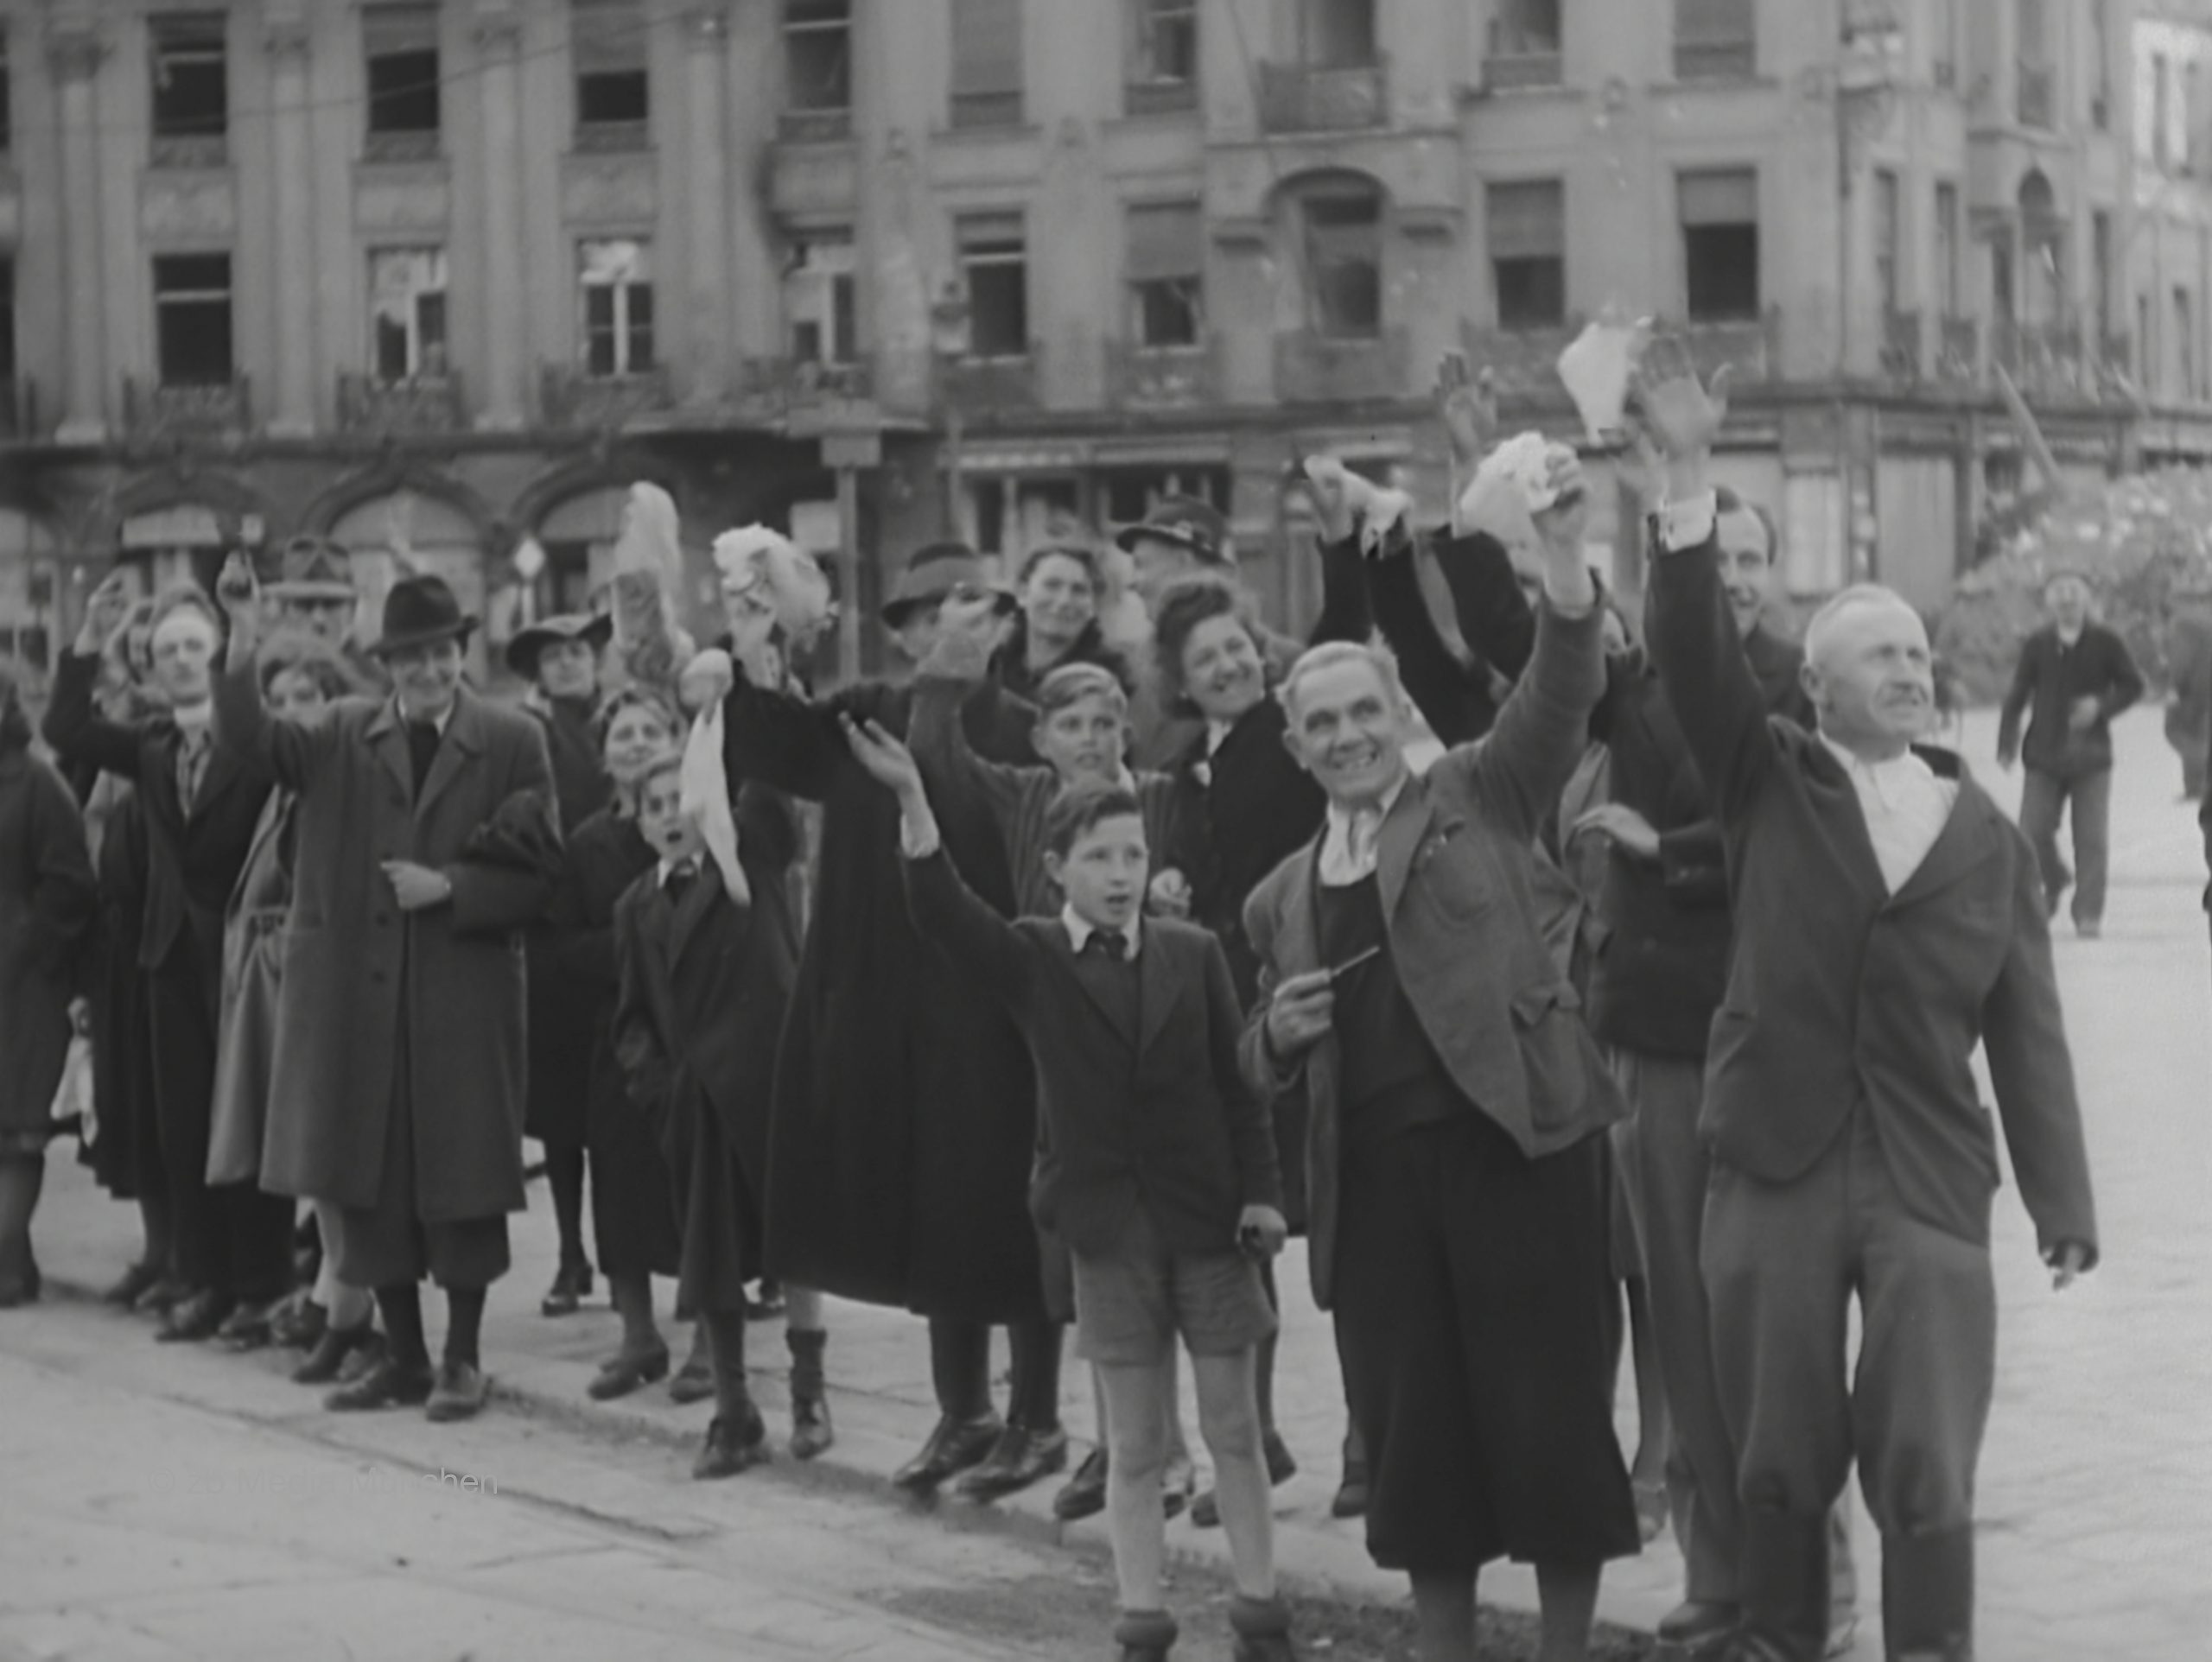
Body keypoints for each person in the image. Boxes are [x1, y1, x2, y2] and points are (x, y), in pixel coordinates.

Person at [1636, 347, 2099, 1662]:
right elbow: (1687, 648)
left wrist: (2062, 1206)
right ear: (1818, 690)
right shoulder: (1767, 780)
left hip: (1928, 1172)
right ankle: (1786, 1641)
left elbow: (2031, 1034)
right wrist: (1684, 474)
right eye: (1874, 656)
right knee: (1778, 1448)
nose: (1904, 668)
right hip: (1775, 1160)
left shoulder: (1986, 833)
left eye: (1914, 651)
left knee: (1929, 1453)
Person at [1242, 452, 1640, 1662]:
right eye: (1324, 723)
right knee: (1417, 1441)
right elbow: (1253, 1056)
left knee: (1552, 1420)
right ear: (1296, 747)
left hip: (1521, 1157)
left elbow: (1560, 692)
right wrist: (1276, 1037)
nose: (1351, 734)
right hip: (1379, 1202)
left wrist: (1565, 559)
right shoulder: (1279, 897)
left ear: (1400, 713)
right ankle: (1443, 1646)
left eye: (1368, 711)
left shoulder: (1482, 787)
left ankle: (1566, 1650)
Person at [856, 732, 1295, 1662]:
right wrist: (911, 802)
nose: (1121, 872)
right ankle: (1142, 1622)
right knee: (1134, 1445)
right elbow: (942, 910)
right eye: (1098, 856)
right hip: (1108, 1233)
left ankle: (1261, 1616)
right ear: (1056, 868)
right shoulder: (1034, 955)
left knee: (1234, 1430)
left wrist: (1263, 1196)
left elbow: (1237, 1089)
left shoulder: (1192, 951)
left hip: (1211, 1226)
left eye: (1133, 853)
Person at [1565, 479, 1873, 1656]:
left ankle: (1812, 1597)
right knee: (1684, 1327)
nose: (1736, 578)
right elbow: (1501, 662)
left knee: (1779, 1338)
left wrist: (1667, 851)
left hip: (1770, 1043)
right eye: (1716, 557)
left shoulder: (1813, 685)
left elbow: (1801, 835)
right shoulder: (1633, 690)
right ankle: (1717, 1572)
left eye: (1754, 557)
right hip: (1654, 1033)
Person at [715, 539, 1058, 1495]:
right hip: (892, 996)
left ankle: (1037, 1418)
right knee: (937, 1204)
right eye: (936, 606)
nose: (960, 620)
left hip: (998, 995)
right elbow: (774, 746)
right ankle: (963, 1413)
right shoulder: (867, 713)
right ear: (905, 633)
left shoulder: (1028, 729)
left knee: (1015, 1209)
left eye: (978, 603)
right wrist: (751, 650)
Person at [212, 559, 562, 1424]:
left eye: (441, 653)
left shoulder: (514, 738)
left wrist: (453, 888)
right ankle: (402, 1356)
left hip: (460, 999)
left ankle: (462, 1360)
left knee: (463, 1180)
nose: (429, 671)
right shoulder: (338, 731)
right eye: (411, 658)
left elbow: (548, 874)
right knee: (370, 1180)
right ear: (386, 664)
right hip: (354, 1005)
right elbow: (249, 737)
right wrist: (243, 634)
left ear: (460, 654)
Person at [45, 576, 291, 1346]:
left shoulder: (257, 739)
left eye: (195, 646)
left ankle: (263, 1285)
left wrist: (247, 625)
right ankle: (208, 1280)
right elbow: (66, 729)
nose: (182, 661)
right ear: (150, 667)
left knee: (249, 1120)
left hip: (246, 959)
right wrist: (90, 634)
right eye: (167, 651)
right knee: (184, 1127)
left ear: (218, 654)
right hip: (168, 959)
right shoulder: (151, 744)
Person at [612, 751, 807, 1479]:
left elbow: (775, 812)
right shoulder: (634, 906)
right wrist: (655, 1087)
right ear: (636, 822)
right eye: (654, 805)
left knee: (798, 1246)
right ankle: (734, 1408)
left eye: (682, 802)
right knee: (712, 1253)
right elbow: (631, 1014)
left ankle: (810, 1391)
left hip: (759, 1087)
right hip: (692, 1103)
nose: (670, 816)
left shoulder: (742, 873)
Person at [203, 636, 379, 1363]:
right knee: (306, 1153)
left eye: (308, 696)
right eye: (280, 702)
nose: (295, 713)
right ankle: (331, 1291)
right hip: (278, 981)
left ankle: (348, 1297)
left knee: (334, 1145)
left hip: (330, 980)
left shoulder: (348, 769)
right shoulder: (286, 785)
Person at [510, 610, 620, 1320]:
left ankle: (630, 1254)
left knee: (625, 1106)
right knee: (563, 1116)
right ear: (539, 675)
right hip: (555, 935)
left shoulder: (627, 722)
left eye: (579, 652)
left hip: (626, 921)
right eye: (554, 658)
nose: (569, 665)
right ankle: (571, 1254)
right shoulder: (531, 737)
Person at [0, 660, 99, 1306]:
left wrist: (25, 943)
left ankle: (8, 1261)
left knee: (17, 1131)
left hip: (22, 986)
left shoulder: (36, 782)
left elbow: (70, 884)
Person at [1997, 570, 2144, 938]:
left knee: (2091, 838)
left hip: (2091, 756)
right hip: (2043, 754)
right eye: (2059, 591)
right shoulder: (2038, 644)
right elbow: (2017, 693)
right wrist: (2006, 742)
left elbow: (2133, 685)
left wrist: (2101, 707)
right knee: (2032, 830)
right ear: (2049, 601)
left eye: (2074, 591)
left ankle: (2088, 913)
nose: (2067, 598)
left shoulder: (2107, 641)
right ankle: (2054, 876)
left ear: (2088, 598)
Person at [990, 544, 1134, 704]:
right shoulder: (993, 670)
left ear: (1094, 606)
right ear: (1023, 592)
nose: (1064, 600)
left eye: (1079, 590)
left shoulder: (1108, 682)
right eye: (1052, 585)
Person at [2163, 605, 2212, 801]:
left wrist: (2174, 686)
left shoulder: (2183, 628)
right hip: (2205, 690)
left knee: (2175, 731)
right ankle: (2195, 786)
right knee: (2198, 736)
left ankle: (2196, 785)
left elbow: (2181, 659)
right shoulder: (2206, 624)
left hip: (2191, 692)